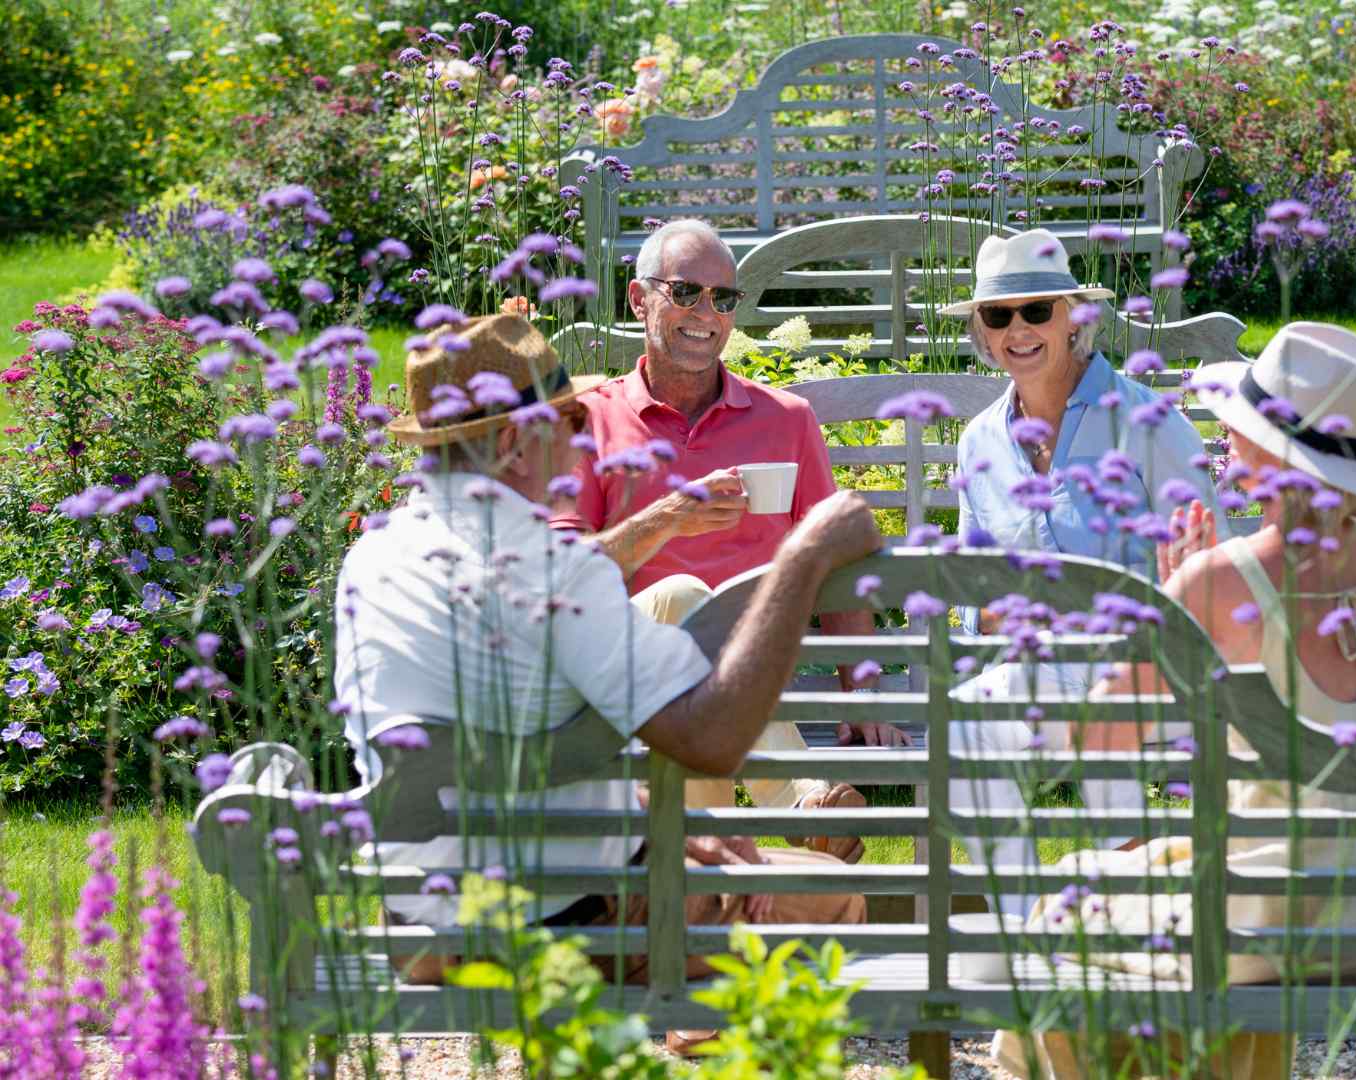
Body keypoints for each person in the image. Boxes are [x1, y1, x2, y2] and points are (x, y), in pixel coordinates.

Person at [333, 315, 878, 1047]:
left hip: (421, 929)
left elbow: (500, 755)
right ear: (506, 441)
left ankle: (691, 1028)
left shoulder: (372, 562)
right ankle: (706, 1036)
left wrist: (658, 819)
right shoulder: (547, 567)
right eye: (568, 419)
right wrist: (802, 562)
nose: (579, 439)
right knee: (830, 893)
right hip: (568, 926)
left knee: (698, 856)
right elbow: (709, 740)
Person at [990, 322, 1356, 1080]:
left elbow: (1100, 739)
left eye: (1235, 429)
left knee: (1065, 909)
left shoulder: (1224, 578)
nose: (1221, 443)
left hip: (1287, 918)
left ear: (1277, 453)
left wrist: (1172, 597)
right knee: (1165, 878)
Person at [548, 219, 906, 862]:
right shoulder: (593, 419)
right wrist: (665, 520)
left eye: (724, 298)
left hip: (748, 666)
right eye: (686, 292)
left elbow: (838, 556)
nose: (706, 313)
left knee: (718, 631)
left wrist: (863, 680)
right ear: (639, 299)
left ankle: (714, 873)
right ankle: (804, 805)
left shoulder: (785, 421)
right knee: (690, 598)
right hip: (622, 664)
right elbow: (563, 572)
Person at [936, 228, 1222, 913]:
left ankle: (1122, 901)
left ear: (1074, 318)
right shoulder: (979, 439)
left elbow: (1207, 565)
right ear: (981, 328)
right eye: (999, 315)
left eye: (1037, 311)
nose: (1019, 329)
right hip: (1039, 671)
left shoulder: (1147, 422)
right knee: (963, 728)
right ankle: (1029, 930)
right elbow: (972, 584)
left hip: (1148, 668)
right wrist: (991, 608)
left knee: (1105, 713)